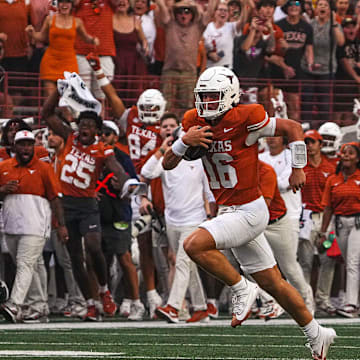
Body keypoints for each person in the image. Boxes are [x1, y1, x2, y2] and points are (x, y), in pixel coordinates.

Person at [163, 66, 337, 360]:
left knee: (193, 244)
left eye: (213, 96)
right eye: (202, 96)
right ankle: (317, 334)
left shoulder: (246, 116)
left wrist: (297, 168)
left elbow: (293, 128)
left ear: (230, 95)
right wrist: (183, 141)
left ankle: (242, 288)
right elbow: (167, 164)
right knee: (274, 283)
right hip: (229, 210)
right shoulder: (193, 121)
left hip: (249, 210)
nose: (206, 102)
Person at [86, 52, 166, 318]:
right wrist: (99, 73)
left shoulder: (163, 131)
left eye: (155, 110)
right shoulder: (131, 118)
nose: (150, 114)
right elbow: (114, 99)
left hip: (148, 185)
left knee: (143, 246)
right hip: (126, 185)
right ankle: (129, 297)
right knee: (121, 247)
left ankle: (151, 295)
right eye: (147, 108)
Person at [41, 87, 131, 321]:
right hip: (65, 205)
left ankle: (104, 290)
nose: (85, 129)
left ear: (97, 130)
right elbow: (47, 114)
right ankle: (90, 303)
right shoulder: (69, 137)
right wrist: (57, 92)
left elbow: (116, 168)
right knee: (74, 256)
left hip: (88, 204)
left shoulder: (102, 149)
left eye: (90, 126)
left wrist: (126, 183)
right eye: (82, 124)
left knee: (93, 247)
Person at [141, 114, 216, 323]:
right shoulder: (168, 157)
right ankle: (201, 308)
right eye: (166, 127)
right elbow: (147, 172)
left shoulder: (200, 157)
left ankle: (174, 307)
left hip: (194, 218)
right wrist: (163, 149)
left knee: (182, 261)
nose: (171, 130)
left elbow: (209, 191)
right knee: (188, 264)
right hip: (172, 220)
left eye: (174, 127)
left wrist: (211, 215)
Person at [0, 130, 68, 323]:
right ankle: (38, 305)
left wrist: (60, 225)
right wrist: (2, 190)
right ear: (14, 146)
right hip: (11, 225)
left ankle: (15, 304)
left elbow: (55, 198)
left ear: (34, 147)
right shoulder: (4, 167)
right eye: (22, 144)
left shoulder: (44, 168)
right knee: (31, 265)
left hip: (36, 224)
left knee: (25, 263)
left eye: (29, 144)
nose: (26, 148)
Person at [98, 120, 146, 321]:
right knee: (100, 260)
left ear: (115, 137)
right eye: (100, 133)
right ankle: (103, 301)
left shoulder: (122, 158)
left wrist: (124, 187)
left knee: (124, 259)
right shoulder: (93, 155)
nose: (103, 137)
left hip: (119, 214)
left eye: (107, 133)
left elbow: (136, 187)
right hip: (98, 213)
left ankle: (136, 302)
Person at [258, 159, 314, 315]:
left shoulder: (265, 170)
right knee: (251, 267)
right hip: (257, 223)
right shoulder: (238, 172)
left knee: (289, 267)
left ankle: (306, 304)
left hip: (277, 223)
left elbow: (264, 204)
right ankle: (272, 303)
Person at [318, 143, 360, 318]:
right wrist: (323, 232)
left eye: (350, 153)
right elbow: (328, 208)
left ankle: (350, 304)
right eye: (344, 153)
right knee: (348, 261)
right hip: (340, 223)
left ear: (358, 158)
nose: (346, 156)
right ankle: (354, 302)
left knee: (352, 262)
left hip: (358, 222)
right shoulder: (333, 179)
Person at [298, 129, 337, 315]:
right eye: (306, 142)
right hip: (306, 217)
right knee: (305, 262)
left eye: (312, 142)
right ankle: (307, 301)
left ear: (321, 145)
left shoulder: (331, 167)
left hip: (325, 218)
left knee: (327, 259)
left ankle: (323, 299)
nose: (309, 146)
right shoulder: (300, 167)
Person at [25, 0, 100, 96]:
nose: (64, 5)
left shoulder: (77, 22)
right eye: (62, 2)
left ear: (71, 5)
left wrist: (93, 40)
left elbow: (85, 37)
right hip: (50, 61)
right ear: (58, 4)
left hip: (69, 62)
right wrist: (32, 34)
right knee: (50, 96)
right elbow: (42, 37)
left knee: (68, 98)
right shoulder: (50, 19)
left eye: (67, 2)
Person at [155, 0, 217, 114]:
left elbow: (211, 10)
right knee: (165, 105)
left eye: (187, 12)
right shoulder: (170, 23)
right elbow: (161, 5)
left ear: (192, 14)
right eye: (180, 12)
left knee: (186, 107)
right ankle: (167, 127)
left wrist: (195, 5)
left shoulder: (198, 26)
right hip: (169, 71)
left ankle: (183, 130)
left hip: (189, 72)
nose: (183, 15)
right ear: (175, 14)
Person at [300, 0, 345, 123]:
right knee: (307, 101)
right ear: (316, 9)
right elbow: (306, 45)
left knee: (324, 103)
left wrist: (335, 23)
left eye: (325, 5)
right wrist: (311, 63)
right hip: (309, 68)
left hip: (327, 69)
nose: (322, 7)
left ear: (330, 10)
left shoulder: (334, 25)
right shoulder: (310, 24)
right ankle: (306, 128)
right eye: (320, 5)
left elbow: (341, 42)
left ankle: (324, 129)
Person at [275, 0, 314, 122]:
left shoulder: (307, 27)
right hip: (278, 69)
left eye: (297, 5)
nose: (293, 7)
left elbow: (309, 48)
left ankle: (293, 134)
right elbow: (273, 50)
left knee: (294, 106)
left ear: (301, 8)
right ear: (286, 8)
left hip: (296, 69)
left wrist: (310, 63)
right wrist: (283, 66)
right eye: (290, 5)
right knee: (277, 105)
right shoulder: (279, 25)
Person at [112, 0, 149, 105]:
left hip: (134, 64)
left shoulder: (135, 21)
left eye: (125, 0)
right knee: (117, 94)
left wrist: (145, 47)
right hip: (116, 62)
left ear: (129, 3)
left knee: (133, 95)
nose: (122, 2)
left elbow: (143, 41)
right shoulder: (110, 19)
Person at [203, 1, 244, 70]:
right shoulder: (207, 27)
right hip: (208, 68)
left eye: (226, 11)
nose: (223, 12)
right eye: (220, 10)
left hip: (225, 68)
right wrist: (209, 54)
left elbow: (243, 21)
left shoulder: (231, 26)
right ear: (215, 12)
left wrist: (244, 6)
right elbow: (201, 47)